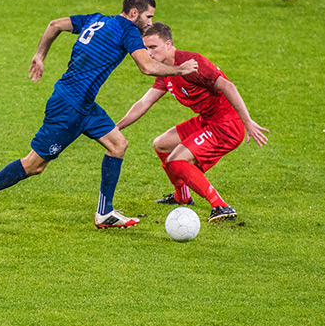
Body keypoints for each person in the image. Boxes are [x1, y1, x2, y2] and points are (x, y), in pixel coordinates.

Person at [0, 0, 199, 230]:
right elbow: (146, 67)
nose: (149, 23)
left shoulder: (96, 19)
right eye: (148, 16)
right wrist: (180, 69)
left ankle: (105, 213)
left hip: (83, 105)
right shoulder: (128, 30)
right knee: (35, 165)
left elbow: (55, 25)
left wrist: (40, 55)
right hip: (68, 107)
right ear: (134, 12)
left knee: (118, 145)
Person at [115, 22, 269, 223]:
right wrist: (115, 128)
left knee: (176, 161)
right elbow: (144, 102)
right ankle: (182, 196)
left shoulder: (192, 63)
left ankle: (221, 206)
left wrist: (247, 121)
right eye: (145, 48)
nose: (148, 53)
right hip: (208, 120)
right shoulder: (169, 70)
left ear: (169, 45)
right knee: (161, 144)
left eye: (153, 47)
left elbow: (228, 86)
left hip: (226, 126)